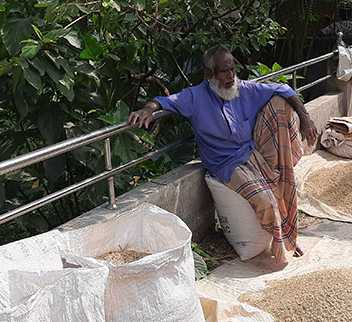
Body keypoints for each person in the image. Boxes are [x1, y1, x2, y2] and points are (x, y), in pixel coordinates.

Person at [128, 46, 318, 263]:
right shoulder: (195, 96)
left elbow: (284, 88)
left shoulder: (244, 88)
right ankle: (282, 240)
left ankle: (288, 229)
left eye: (233, 70)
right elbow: (164, 102)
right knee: (266, 200)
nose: (231, 76)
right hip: (226, 164)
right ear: (209, 74)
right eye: (224, 72)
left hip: (253, 152)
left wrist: (306, 119)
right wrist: (147, 110)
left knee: (280, 104)